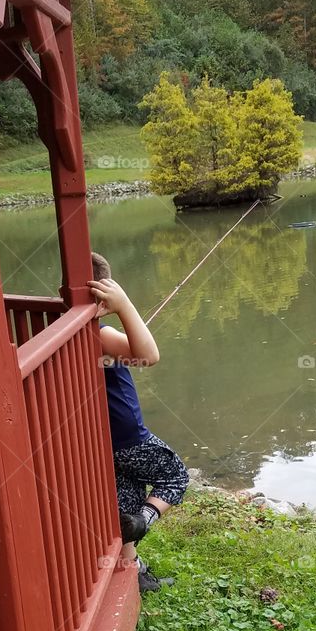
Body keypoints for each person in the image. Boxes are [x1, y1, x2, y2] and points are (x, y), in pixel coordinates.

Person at [89, 252, 189, 592]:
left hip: (93, 441)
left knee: (128, 492)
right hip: (125, 439)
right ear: (104, 295)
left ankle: (131, 569)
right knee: (175, 475)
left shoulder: (61, 331)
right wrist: (125, 305)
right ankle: (144, 521)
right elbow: (149, 356)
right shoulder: (99, 335)